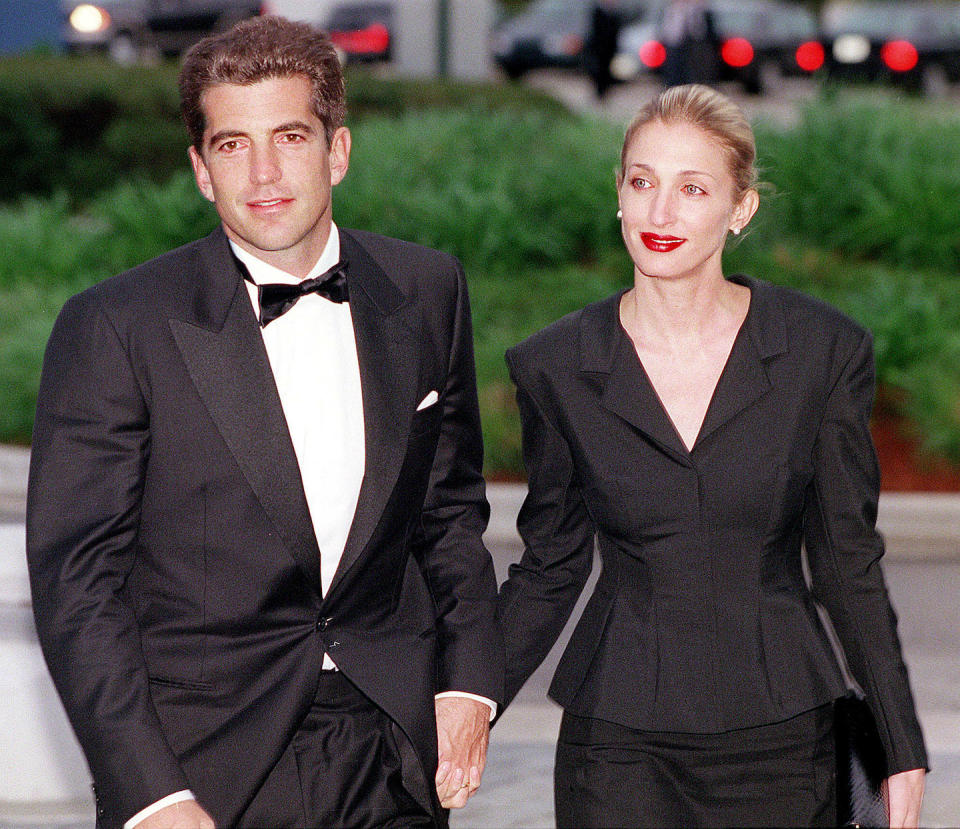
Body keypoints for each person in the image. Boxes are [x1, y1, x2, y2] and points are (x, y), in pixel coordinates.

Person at [26, 16, 502, 829]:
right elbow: (78, 586)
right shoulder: (116, 325)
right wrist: (150, 791)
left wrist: (469, 681)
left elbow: (450, 513)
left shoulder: (427, 290)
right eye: (232, 145)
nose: (265, 172)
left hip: (388, 745)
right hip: (204, 763)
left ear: (338, 151)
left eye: (288, 135)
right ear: (201, 171)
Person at [496, 84, 927, 828]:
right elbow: (550, 564)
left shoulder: (821, 352)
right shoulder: (556, 364)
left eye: (692, 188)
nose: (660, 214)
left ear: (741, 208)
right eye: (643, 182)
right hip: (617, 744)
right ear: (620, 196)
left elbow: (847, 561)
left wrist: (901, 744)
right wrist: (460, 705)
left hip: (783, 738)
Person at [660, 0, 718, 87]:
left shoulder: (701, 9)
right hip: (675, 45)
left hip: (696, 46)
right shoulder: (671, 10)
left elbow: (703, 30)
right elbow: (667, 30)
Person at [584, 0, 623, 99]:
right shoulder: (597, 12)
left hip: (609, 49)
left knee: (607, 72)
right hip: (598, 48)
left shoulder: (615, 14)